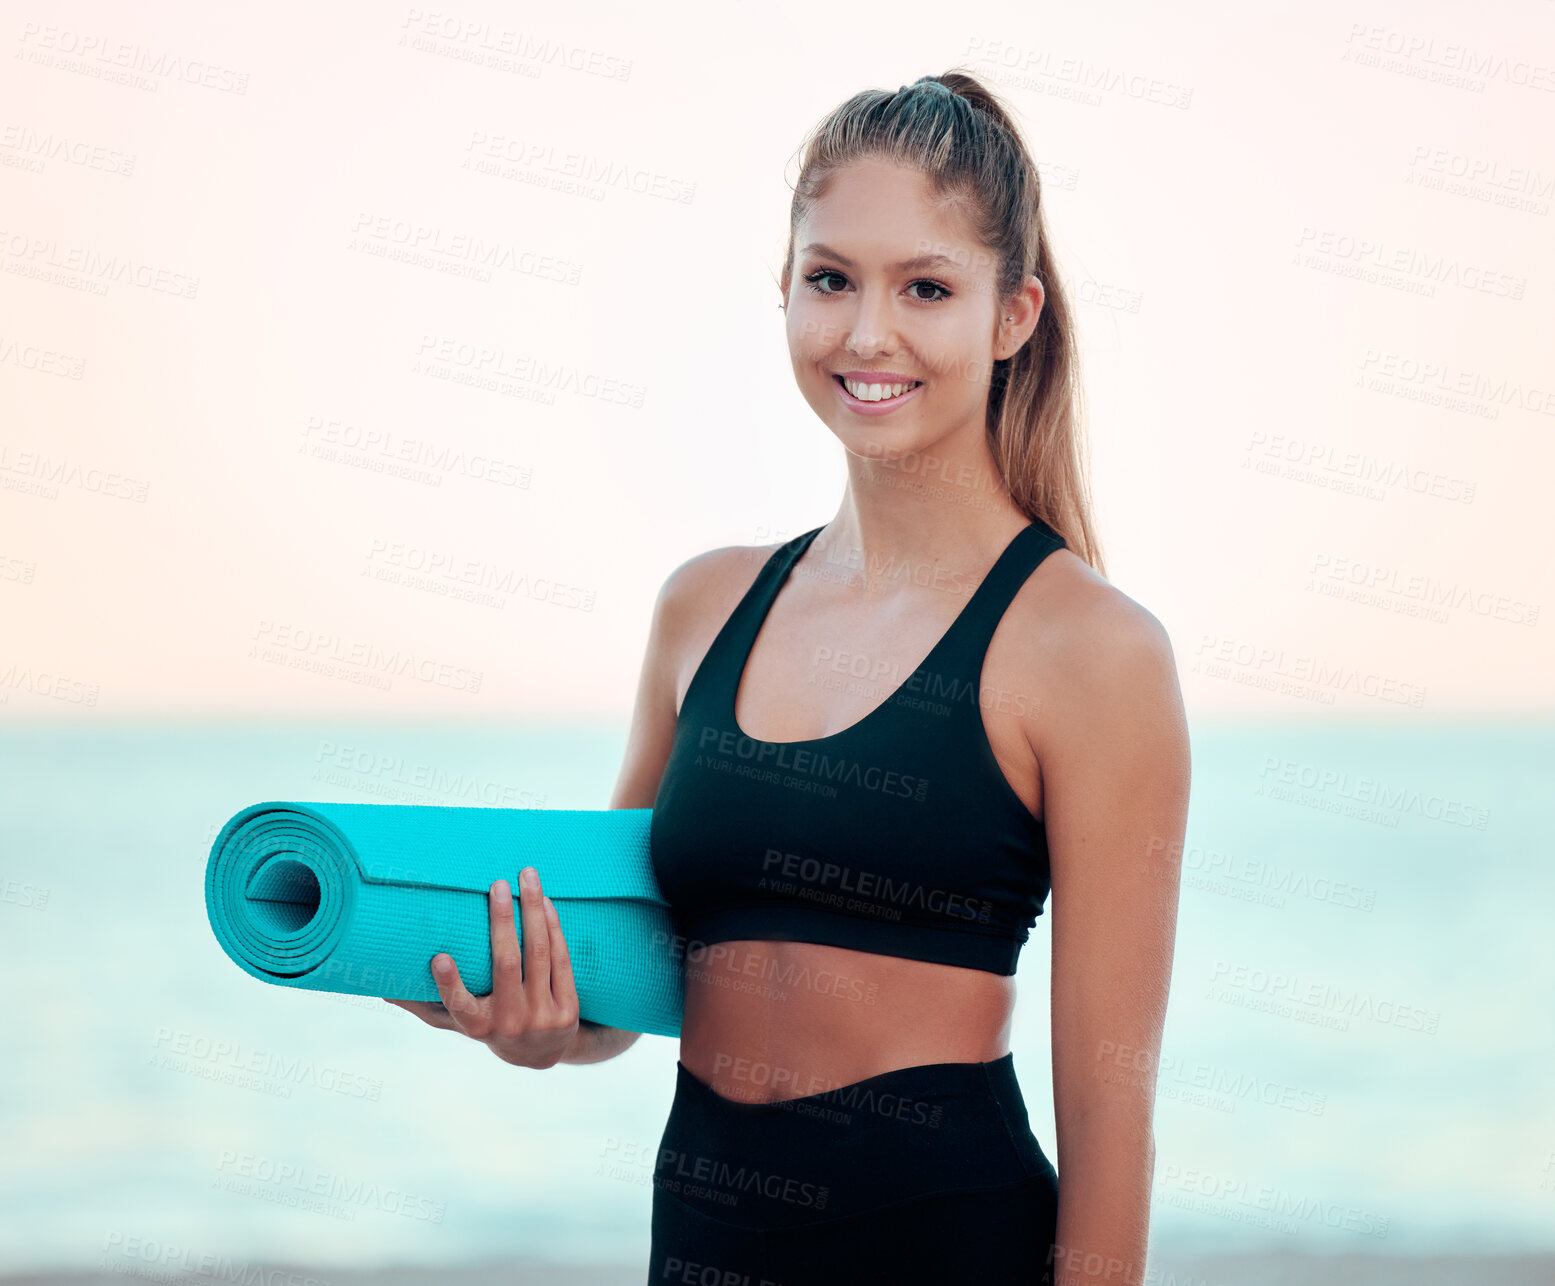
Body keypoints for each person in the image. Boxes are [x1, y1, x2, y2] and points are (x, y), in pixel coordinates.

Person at [387, 68, 1189, 1286]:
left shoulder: (1092, 651)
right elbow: (629, 979)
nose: (868, 334)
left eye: (925, 287)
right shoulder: (702, 607)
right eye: (830, 280)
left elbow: (1112, 1115)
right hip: (702, 1237)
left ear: (1013, 314)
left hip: (946, 1243)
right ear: (784, 291)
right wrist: (535, 1028)